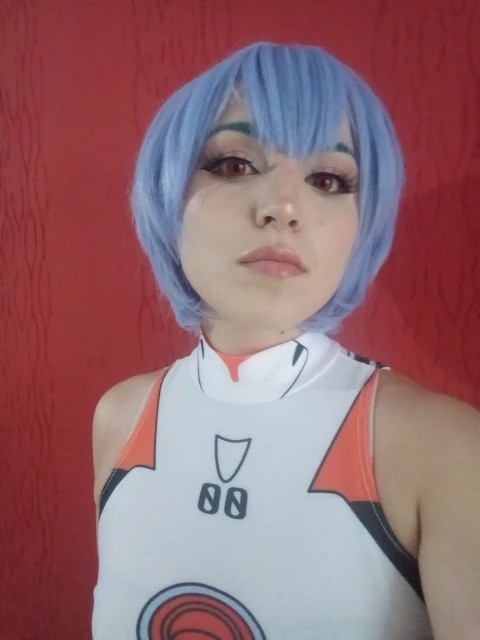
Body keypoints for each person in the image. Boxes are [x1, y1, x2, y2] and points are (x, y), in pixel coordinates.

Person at [91, 42, 480, 639]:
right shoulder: (119, 416)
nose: (284, 207)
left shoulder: (445, 450)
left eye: (328, 178)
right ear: (165, 193)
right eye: (234, 165)